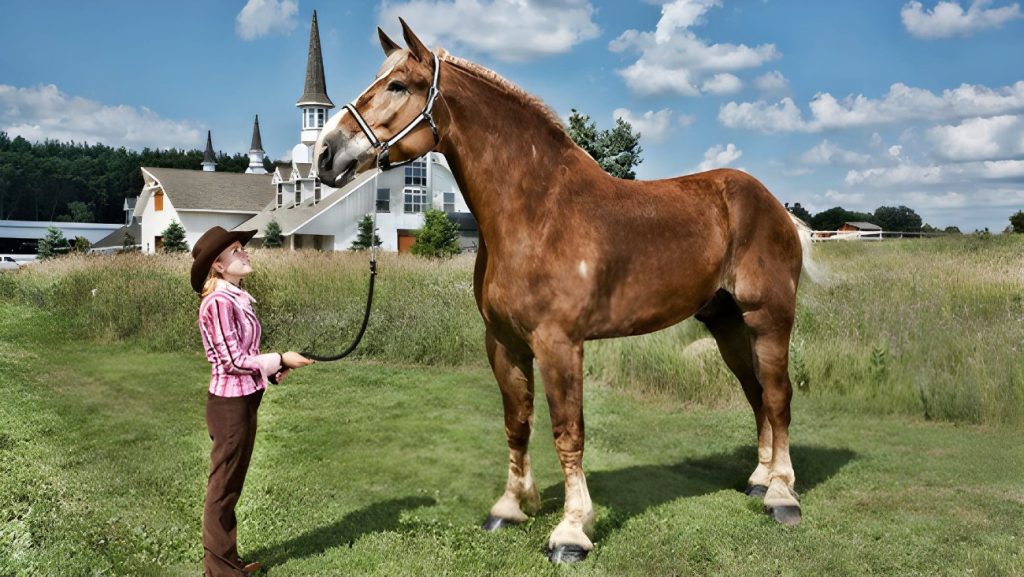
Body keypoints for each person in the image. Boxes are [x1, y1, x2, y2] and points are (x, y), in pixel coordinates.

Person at [190, 226, 314, 576]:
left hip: (244, 400)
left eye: (242, 248)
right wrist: (280, 358)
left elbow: (245, 356)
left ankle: (227, 562)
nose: (245, 253)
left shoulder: (235, 297)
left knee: (231, 487)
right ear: (217, 265)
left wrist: (273, 371)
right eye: (235, 250)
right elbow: (232, 362)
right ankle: (220, 571)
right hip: (229, 408)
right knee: (222, 490)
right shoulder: (217, 303)